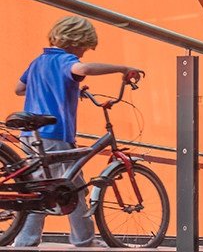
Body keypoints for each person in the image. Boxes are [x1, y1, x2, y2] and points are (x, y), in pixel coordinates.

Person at [13, 16, 144, 248]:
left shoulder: (38, 61)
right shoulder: (66, 59)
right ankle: (84, 240)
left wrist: (64, 88)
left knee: (39, 190)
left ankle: (24, 242)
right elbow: (81, 68)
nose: (84, 52)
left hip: (30, 137)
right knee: (72, 187)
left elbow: (20, 89)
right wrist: (122, 68)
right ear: (75, 40)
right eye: (85, 46)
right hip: (55, 134)